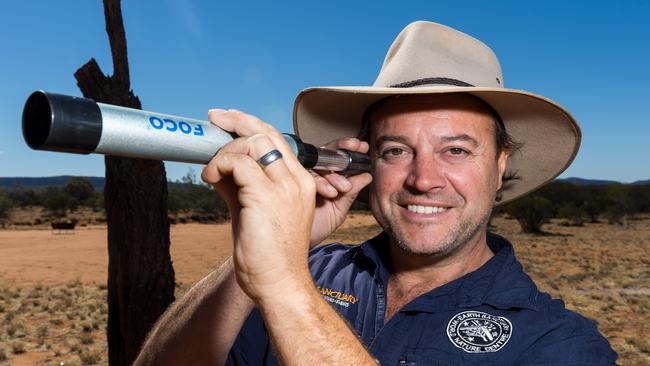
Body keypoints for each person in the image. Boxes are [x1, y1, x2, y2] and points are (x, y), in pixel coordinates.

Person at [135, 21, 617, 365]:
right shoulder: (312, 270)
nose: (423, 179)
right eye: (396, 151)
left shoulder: (557, 342)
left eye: (455, 151)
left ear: (500, 165)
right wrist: (259, 259)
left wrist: (283, 286)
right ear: (368, 163)